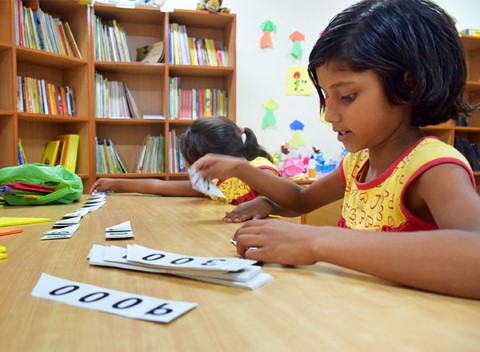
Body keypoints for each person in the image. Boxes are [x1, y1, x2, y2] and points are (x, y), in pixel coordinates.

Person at [192, 0, 480, 299]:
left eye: (347, 96)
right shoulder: (359, 162)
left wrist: (317, 241)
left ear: (409, 84)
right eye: (328, 97)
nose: (329, 115)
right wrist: (249, 177)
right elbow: (301, 199)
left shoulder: (432, 166)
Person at [89, 116, 278, 204]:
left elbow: (281, 195)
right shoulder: (215, 182)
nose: (189, 167)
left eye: (194, 162)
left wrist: (264, 205)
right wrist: (115, 183)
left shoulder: (259, 168)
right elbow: (158, 186)